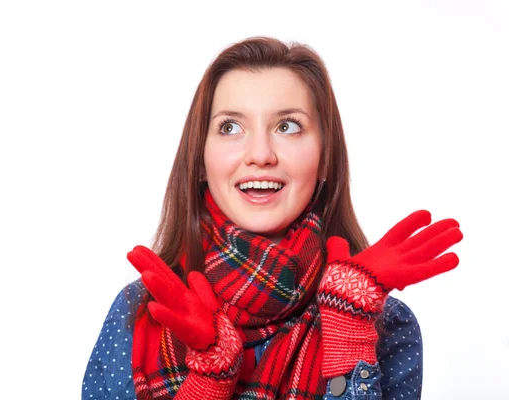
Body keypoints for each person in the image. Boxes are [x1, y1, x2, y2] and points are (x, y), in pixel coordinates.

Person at [82, 36, 463, 400]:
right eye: (230, 127)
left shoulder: (387, 324)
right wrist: (207, 383)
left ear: (325, 158)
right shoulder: (141, 312)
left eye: (287, 126)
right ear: (200, 159)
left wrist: (348, 330)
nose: (260, 154)